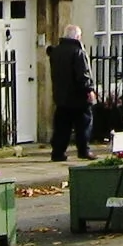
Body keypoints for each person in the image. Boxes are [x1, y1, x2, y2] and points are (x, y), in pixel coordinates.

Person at [46, 24, 95, 162]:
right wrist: (89, 90)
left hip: (61, 96)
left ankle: (57, 153)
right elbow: (83, 74)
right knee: (83, 124)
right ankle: (84, 151)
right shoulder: (78, 51)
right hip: (78, 96)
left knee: (62, 127)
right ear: (77, 36)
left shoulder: (56, 51)